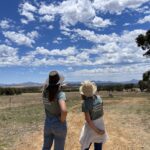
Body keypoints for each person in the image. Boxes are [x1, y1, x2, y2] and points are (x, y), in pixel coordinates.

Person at [79, 80, 108, 150]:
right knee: (98, 144)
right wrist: (99, 131)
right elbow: (101, 112)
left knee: (86, 144)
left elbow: (88, 120)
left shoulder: (85, 103)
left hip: (91, 127)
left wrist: (97, 130)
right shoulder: (99, 98)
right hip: (100, 124)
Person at [42, 71, 67, 150]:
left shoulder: (44, 93)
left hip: (48, 123)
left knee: (46, 147)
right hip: (58, 124)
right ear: (59, 82)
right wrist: (62, 120)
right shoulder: (60, 94)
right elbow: (64, 111)